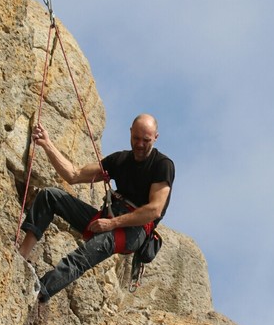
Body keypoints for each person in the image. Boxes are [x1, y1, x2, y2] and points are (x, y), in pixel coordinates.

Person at [17, 113, 174, 301]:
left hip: (134, 230)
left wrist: (112, 224)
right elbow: (74, 175)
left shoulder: (162, 165)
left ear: (155, 137)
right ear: (130, 132)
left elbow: (154, 210)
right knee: (50, 196)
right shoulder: (120, 160)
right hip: (110, 218)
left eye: (146, 140)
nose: (140, 144)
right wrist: (46, 144)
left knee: (83, 255)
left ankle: (39, 291)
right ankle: (21, 256)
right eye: (136, 138)